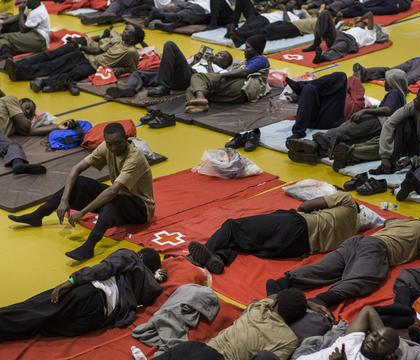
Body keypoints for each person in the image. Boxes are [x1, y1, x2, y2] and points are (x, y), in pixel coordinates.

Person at [9, 122, 155, 261]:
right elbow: (76, 169)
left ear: (126, 139)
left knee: (113, 200)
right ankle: (38, 215)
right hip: (121, 196)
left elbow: (112, 192)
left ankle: (89, 246)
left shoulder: (134, 158)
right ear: (106, 141)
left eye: (118, 143)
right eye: (110, 144)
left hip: (141, 208)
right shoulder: (107, 147)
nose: (114, 148)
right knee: (80, 183)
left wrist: (83, 212)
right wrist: (65, 199)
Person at [266, 214, 420, 308]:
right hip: (375, 249)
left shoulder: (401, 222)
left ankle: (282, 283)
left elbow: (387, 223)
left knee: (323, 269)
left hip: (357, 242)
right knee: (362, 280)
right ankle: (317, 303)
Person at [0, 248, 165, 341]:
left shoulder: (130, 256)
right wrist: (157, 277)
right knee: (42, 326)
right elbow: (153, 285)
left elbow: (103, 269)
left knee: (33, 310)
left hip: (91, 294)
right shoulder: (151, 288)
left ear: (140, 255)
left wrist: (71, 281)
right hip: (97, 318)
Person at [186, 192, 360, 274]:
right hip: (298, 249)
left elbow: (305, 206)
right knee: (242, 242)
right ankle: (220, 259)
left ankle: (205, 253)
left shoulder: (348, 201)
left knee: (233, 227)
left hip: (296, 225)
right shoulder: (354, 233)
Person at [286, 68, 407, 165]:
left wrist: (365, 112)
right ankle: (314, 152)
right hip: (371, 123)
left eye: (386, 80)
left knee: (345, 131)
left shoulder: (394, 93)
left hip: (373, 121)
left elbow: (388, 109)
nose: (384, 82)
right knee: (348, 136)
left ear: (391, 82)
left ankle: (316, 145)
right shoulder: (399, 97)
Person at [154, 288, 314, 360]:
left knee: (178, 351)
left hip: (202, 347)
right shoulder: (289, 340)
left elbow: (273, 295)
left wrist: (310, 303)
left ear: (275, 303)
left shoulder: (259, 309)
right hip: (215, 355)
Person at [5, 25, 145, 95]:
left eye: (127, 31)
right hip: (86, 55)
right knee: (55, 64)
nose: (124, 31)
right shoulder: (117, 40)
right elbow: (98, 50)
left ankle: (42, 82)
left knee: (72, 73)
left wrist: (119, 70)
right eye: (125, 29)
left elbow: (133, 69)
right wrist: (80, 46)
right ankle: (19, 71)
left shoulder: (132, 52)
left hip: (95, 67)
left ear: (132, 38)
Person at [105, 41, 233, 99]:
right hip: (178, 75)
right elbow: (184, 66)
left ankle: (163, 86)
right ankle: (130, 90)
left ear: (226, 63)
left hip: (191, 79)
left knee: (170, 45)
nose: (217, 54)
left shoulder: (222, 71)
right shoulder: (203, 61)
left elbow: (212, 80)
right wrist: (196, 60)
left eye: (222, 55)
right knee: (138, 73)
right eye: (218, 52)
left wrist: (209, 63)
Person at [184, 35, 270, 113]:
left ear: (256, 50)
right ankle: (198, 104)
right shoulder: (245, 62)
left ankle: (200, 99)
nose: (244, 49)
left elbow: (245, 72)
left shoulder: (261, 59)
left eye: (247, 47)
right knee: (193, 88)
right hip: (236, 94)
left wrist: (221, 76)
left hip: (244, 88)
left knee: (197, 76)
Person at [0, 96, 76, 175]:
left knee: (13, 146)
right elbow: (26, 126)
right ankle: (18, 165)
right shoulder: (11, 99)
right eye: (27, 107)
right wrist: (28, 120)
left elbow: (29, 131)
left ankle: (18, 165)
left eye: (30, 114)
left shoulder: (16, 126)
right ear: (19, 103)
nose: (28, 112)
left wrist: (58, 126)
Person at [297, 306, 401, 360]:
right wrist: (386, 338)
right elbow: (368, 310)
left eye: (382, 343)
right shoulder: (355, 339)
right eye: (374, 335)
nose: (374, 340)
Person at [353, 44, 420, 85]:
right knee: (411, 78)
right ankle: (391, 83)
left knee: (392, 69)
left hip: (416, 59)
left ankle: (366, 72)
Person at [284, 72, 349, 140]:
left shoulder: (351, 81)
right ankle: (302, 85)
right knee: (309, 87)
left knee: (341, 76)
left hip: (323, 120)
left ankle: (301, 85)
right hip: (323, 120)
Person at [308, 11, 383, 64]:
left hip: (350, 41)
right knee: (325, 13)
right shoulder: (350, 28)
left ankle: (322, 57)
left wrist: (361, 19)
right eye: (358, 22)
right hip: (338, 35)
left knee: (340, 46)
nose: (358, 22)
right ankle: (316, 43)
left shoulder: (369, 32)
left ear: (364, 24)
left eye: (360, 22)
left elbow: (370, 14)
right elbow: (335, 29)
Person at [227, 7, 313, 48]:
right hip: (263, 16)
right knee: (250, 23)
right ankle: (236, 35)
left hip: (268, 21)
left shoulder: (295, 18)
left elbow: (288, 21)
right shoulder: (278, 11)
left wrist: (285, 10)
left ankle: (238, 34)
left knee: (258, 29)